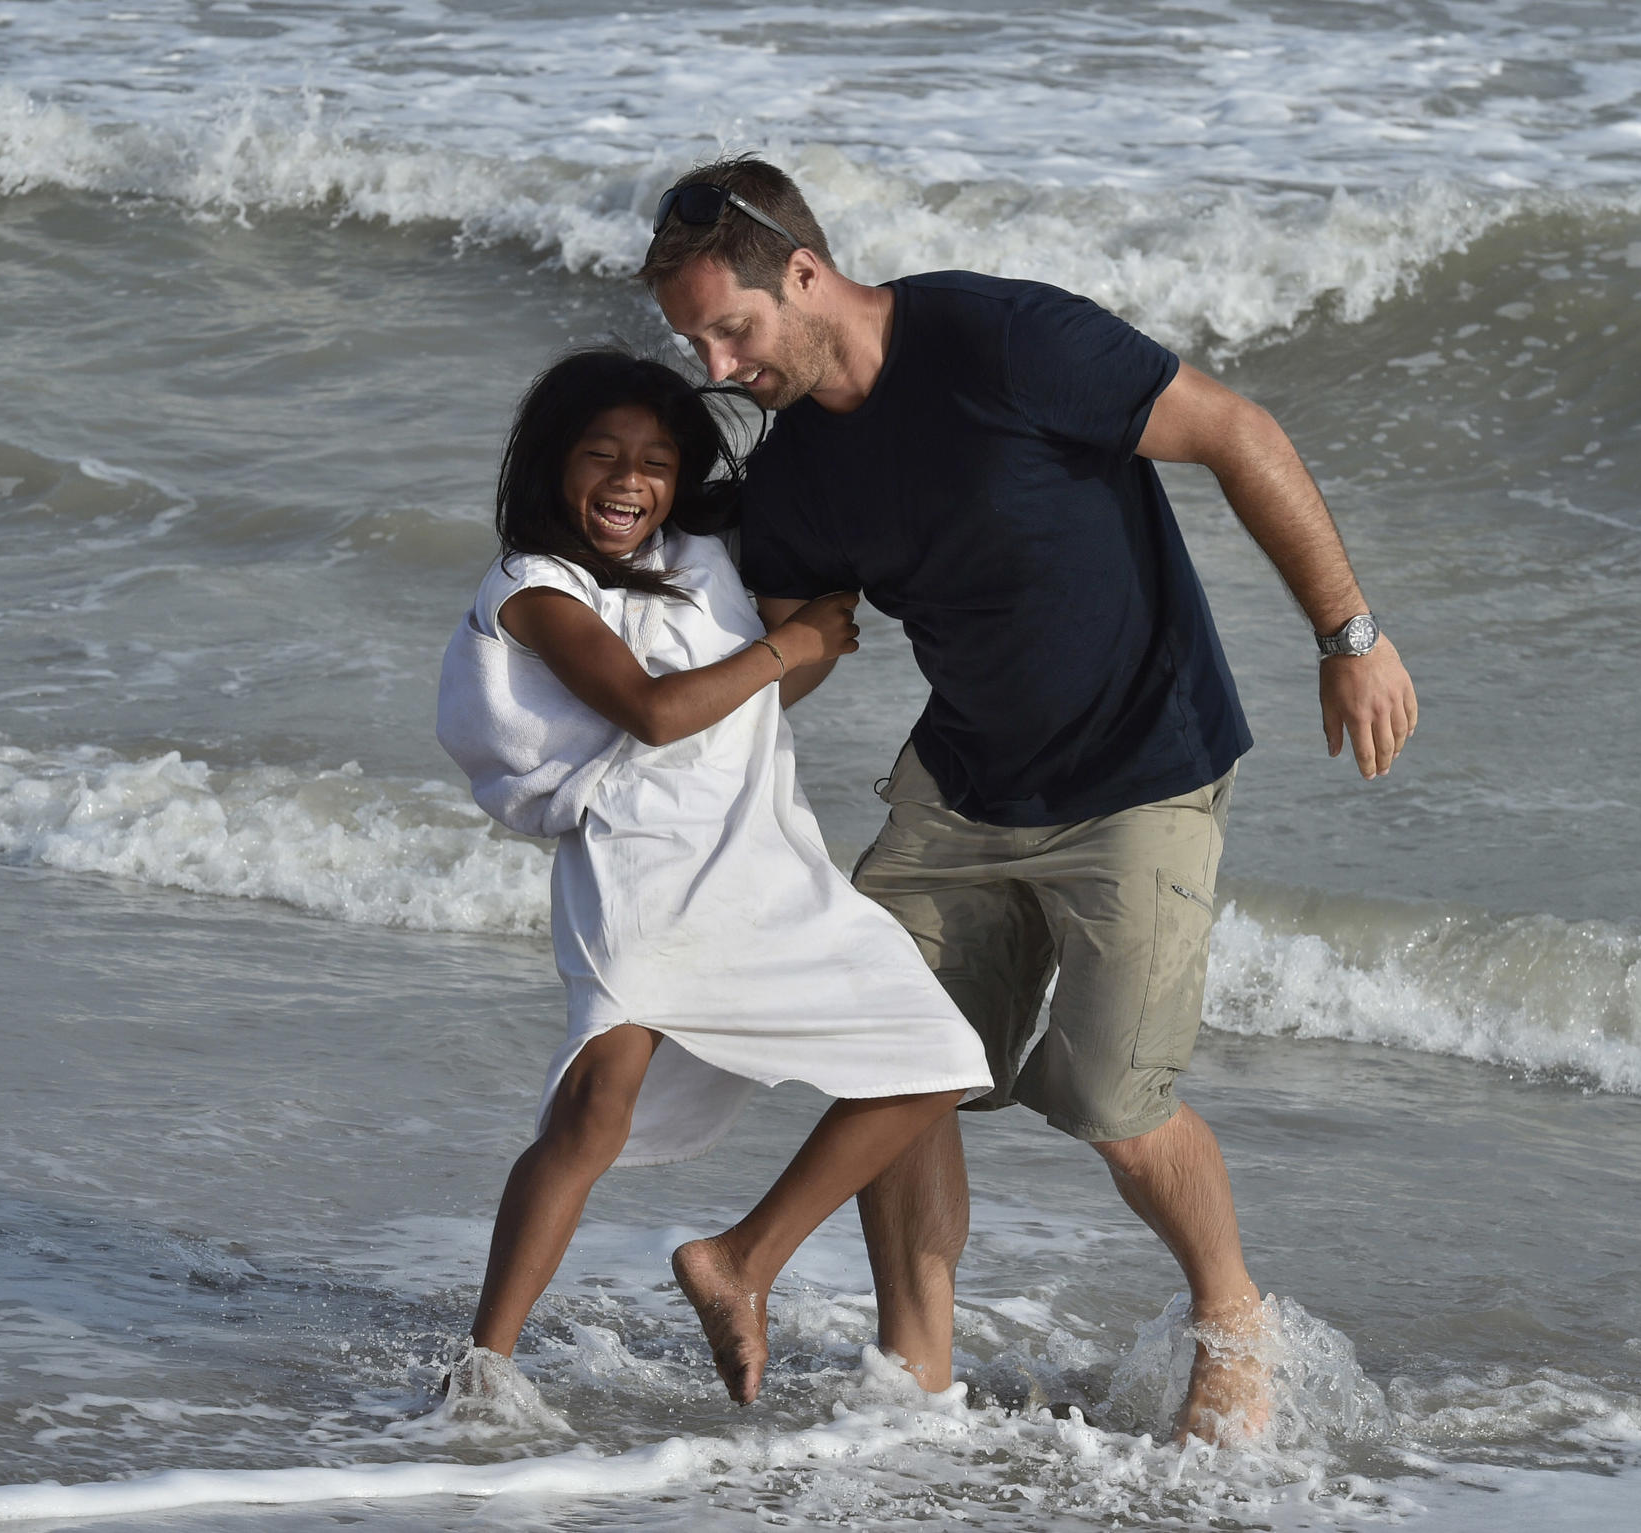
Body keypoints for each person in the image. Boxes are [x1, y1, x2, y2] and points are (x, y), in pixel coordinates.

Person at [640, 158, 1420, 1444]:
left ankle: (1231, 1326)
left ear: (805, 271)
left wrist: (1348, 636)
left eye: (733, 328)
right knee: (893, 1056)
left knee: (1115, 1105)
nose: (720, 367)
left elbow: (1237, 432)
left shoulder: (1000, 340)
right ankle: (916, 1376)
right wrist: (630, 731)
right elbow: (786, 650)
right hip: (962, 792)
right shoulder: (795, 480)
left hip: (1142, 774)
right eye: (695, 344)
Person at [435, 348, 994, 1405]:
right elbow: (651, 712)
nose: (626, 482)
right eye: (599, 456)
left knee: (929, 1060)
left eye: (652, 461)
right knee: (593, 1113)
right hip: (639, 866)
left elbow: (792, 570)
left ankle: (739, 1261)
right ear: (551, 465)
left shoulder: (700, 551)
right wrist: (790, 644)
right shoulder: (530, 588)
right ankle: (483, 1368)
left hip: (761, 860)